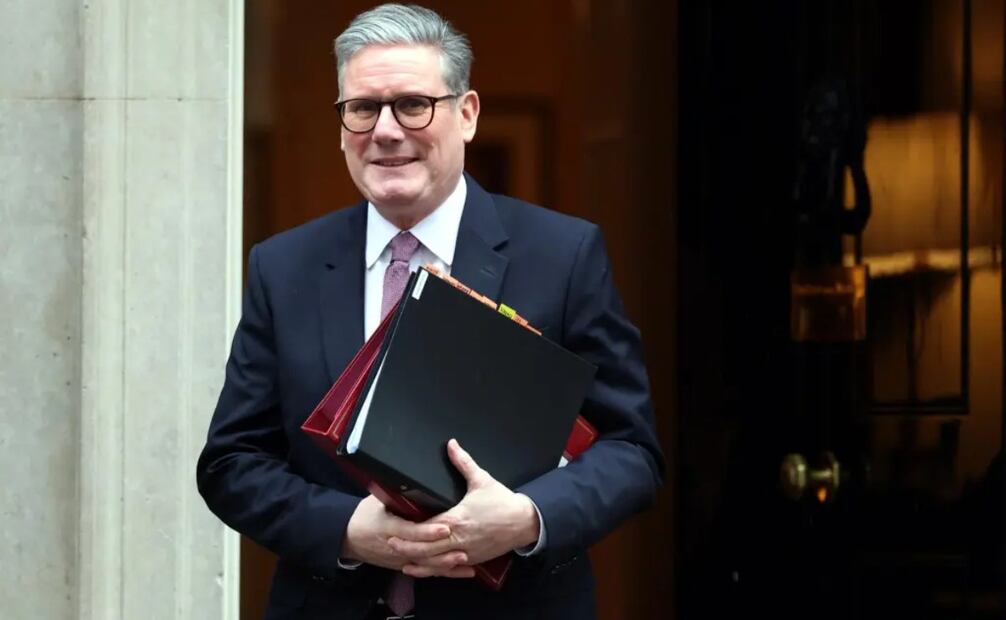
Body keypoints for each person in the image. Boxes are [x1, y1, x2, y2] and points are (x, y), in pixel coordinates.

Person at [196, 4, 664, 619]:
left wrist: (528, 518)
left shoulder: (562, 256)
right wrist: (347, 529)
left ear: (466, 114)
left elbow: (632, 451)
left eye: (414, 104)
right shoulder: (284, 267)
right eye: (363, 108)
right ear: (341, 125)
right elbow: (232, 463)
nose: (386, 131)